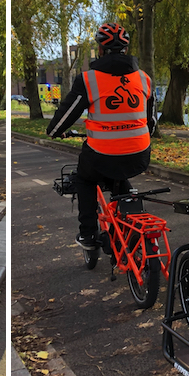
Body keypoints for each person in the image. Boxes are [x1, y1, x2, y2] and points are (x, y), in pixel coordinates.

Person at [46, 22, 155, 250]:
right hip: (140, 154)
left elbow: (68, 111)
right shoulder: (144, 78)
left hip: (102, 154)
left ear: (101, 50)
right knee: (120, 172)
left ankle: (87, 234)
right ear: (126, 49)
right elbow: (151, 121)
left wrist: (55, 131)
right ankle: (128, 218)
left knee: (85, 179)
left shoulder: (88, 79)